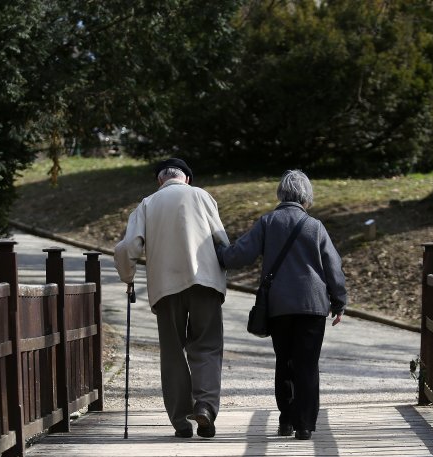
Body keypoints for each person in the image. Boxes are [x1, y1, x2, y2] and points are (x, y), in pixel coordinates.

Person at [215, 170, 347, 441]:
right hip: (312, 305)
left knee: (284, 361)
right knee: (307, 364)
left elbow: (240, 254)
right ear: (306, 197)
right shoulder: (315, 227)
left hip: (279, 306)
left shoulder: (268, 222)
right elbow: (333, 267)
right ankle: (305, 424)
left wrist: (217, 253)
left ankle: (286, 419)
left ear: (280, 194)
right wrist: (339, 300)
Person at [113, 158, 229, 439]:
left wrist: (128, 278)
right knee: (207, 347)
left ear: (160, 181)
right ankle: (205, 406)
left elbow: (129, 246)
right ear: (187, 179)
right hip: (206, 283)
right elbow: (221, 240)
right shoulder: (203, 197)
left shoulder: (147, 204)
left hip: (166, 288)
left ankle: (180, 421)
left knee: (173, 352)